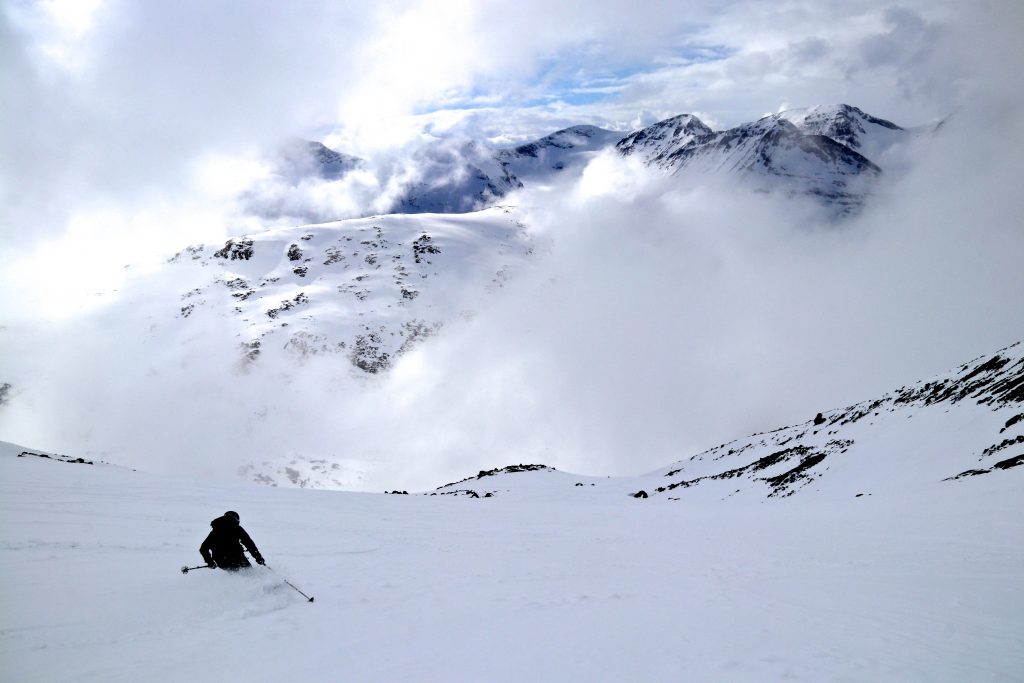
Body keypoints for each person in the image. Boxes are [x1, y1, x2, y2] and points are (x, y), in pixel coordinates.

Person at [199, 510, 265, 570]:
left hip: (221, 561)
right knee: (250, 575)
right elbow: (249, 543)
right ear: (236, 520)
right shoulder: (237, 528)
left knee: (236, 576)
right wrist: (258, 557)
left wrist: (210, 562)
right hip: (237, 558)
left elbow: (203, 548)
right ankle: (257, 582)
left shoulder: (215, 531)